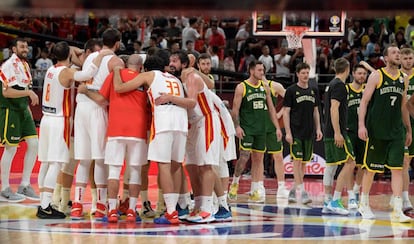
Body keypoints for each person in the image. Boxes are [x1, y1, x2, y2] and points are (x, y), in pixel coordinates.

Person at [112, 54, 195, 224]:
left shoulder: (148, 75)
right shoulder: (175, 78)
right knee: (176, 166)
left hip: (164, 119)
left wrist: (116, 71)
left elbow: (120, 88)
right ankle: (178, 207)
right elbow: (189, 101)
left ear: (147, 68)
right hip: (181, 120)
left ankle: (170, 211)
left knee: (163, 165)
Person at [36, 41, 112, 219]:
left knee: (45, 162)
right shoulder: (67, 72)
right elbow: (88, 73)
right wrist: (99, 56)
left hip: (45, 119)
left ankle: (44, 202)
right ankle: (46, 205)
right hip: (59, 120)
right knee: (56, 163)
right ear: (69, 56)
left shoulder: (50, 70)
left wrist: (73, 53)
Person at [77, 54, 149, 223]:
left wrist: (86, 90)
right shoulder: (144, 79)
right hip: (137, 129)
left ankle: (112, 210)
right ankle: (131, 210)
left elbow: (101, 99)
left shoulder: (114, 75)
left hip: (116, 128)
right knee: (136, 171)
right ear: (140, 66)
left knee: (114, 172)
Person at [71, 28, 124, 220]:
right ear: (117, 43)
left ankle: (77, 205)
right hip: (96, 107)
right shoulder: (116, 61)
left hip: (81, 109)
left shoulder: (91, 55)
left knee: (84, 160)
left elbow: (73, 54)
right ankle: (101, 205)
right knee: (100, 159)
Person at [358, 44, 412, 223]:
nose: (398, 55)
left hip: (396, 131)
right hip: (377, 130)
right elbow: (364, 102)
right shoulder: (376, 75)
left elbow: (403, 105)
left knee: (397, 169)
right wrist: (361, 125)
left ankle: (397, 209)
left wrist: (408, 128)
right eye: (394, 53)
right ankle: (363, 203)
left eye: (399, 52)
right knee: (371, 170)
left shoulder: (404, 78)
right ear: (386, 58)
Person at [228, 60, 282, 203]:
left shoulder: (265, 87)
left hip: (261, 129)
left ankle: (255, 189)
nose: (262, 73)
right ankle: (234, 183)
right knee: (244, 157)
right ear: (251, 71)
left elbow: (271, 109)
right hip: (247, 129)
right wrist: (237, 127)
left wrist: (277, 127)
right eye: (259, 70)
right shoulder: (242, 87)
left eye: (263, 70)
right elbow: (235, 111)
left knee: (258, 159)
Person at [0, 37, 39, 202]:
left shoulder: (25, 65)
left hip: (23, 110)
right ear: (14, 49)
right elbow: (6, 92)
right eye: (22, 46)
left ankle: (24, 185)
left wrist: (28, 108)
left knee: (34, 144)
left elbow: (25, 88)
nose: (25, 49)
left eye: (27, 46)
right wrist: (28, 94)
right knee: (11, 148)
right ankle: (5, 189)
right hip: (10, 110)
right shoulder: (8, 65)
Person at [283, 62, 323, 205]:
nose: (306, 75)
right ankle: (303, 191)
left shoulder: (313, 90)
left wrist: (318, 128)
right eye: (303, 73)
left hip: (309, 132)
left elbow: (316, 111)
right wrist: (287, 132)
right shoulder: (291, 91)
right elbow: (286, 112)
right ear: (298, 74)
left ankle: (294, 189)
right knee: (297, 162)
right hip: (295, 132)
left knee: (304, 164)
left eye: (307, 72)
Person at [322, 57, 357, 216]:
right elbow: (334, 109)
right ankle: (335, 201)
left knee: (331, 166)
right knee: (350, 162)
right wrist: (338, 132)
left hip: (328, 130)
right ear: (348, 69)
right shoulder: (340, 86)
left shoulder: (330, 85)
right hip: (336, 131)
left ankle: (327, 200)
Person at [263, 76, 290, 199]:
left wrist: (280, 113)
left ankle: (281, 187)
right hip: (257, 126)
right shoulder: (246, 86)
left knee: (278, 156)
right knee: (257, 157)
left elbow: (290, 99)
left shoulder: (274, 85)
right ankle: (257, 187)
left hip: (272, 127)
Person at [346, 63, 368, 205]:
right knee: (349, 163)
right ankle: (349, 195)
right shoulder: (346, 89)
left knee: (362, 165)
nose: (362, 76)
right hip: (349, 131)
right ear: (353, 74)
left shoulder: (368, 89)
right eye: (359, 73)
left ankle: (356, 189)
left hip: (364, 132)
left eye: (364, 74)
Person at [397, 48, 414, 218]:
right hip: (400, 124)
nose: (408, 61)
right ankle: (404, 198)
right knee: (404, 163)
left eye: (411, 58)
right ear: (400, 59)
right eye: (406, 58)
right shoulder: (397, 77)